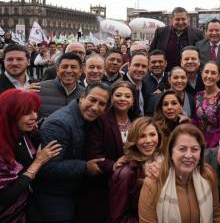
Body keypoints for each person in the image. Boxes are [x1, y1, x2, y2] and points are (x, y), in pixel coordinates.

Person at [28, 83, 111, 223]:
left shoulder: (89, 119)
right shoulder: (60, 124)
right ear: (82, 97)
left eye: (102, 104)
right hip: (53, 197)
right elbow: (47, 167)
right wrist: (85, 167)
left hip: (72, 192)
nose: (95, 107)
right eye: (92, 100)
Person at [138, 123, 220, 223]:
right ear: (171, 152)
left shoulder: (208, 175)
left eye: (194, 149)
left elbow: (215, 214)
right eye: (182, 149)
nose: (188, 155)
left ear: (201, 153)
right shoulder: (153, 183)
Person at [0, 89, 61, 222]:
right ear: (10, 114)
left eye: (35, 111)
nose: (34, 116)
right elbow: (4, 196)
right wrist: (37, 163)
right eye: (27, 112)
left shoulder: (23, 134)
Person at [82, 81, 138, 223]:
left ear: (133, 101)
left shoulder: (136, 121)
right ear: (111, 99)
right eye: (118, 95)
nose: (123, 99)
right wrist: (113, 165)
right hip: (104, 186)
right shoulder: (101, 120)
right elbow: (94, 155)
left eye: (127, 96)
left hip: (130, 184)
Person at [110, 117, 164, 223]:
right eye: (142, 136)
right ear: (134, 140)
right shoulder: (126, 173)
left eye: (152, 135)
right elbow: (118, 218)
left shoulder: (164, 161)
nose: (148, 140)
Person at [150, 7, 204, 71]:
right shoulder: (161, 32)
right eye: (177, 19)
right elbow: (151, 52)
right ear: (171, 19)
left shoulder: (198, 34)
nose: (180, 22)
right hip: (166, 74)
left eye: (183, 19)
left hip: (188, 75)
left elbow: (202, 56)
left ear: (188, 19)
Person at [193, 61, 220, 148]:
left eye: (213, 73)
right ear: (202, 74)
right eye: (206, 72)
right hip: (197, 142)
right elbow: (195, 121)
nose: (209, 76)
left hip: (215, 145)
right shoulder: (198, 95)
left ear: (218, 77)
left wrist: (209, 147)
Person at [39, 52, 85, 119]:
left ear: (80, 71)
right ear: (57, 70)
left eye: (73, 67)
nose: (69, 70)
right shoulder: (39, 89)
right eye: (64, 67)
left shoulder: (85, 94)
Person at [143, 49, 169, 115]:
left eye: (160, 62)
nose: (157, 65)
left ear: (165, 63)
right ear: (148, 64)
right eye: (153, 62)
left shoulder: (172, 79)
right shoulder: (142, 81)